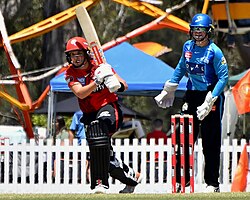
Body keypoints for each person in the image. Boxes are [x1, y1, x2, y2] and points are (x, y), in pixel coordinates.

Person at [154, 14, 228, 192]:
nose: (197, 33)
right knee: (184, 139)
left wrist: (210, 100)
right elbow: (181, 68)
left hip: (211, 95)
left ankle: (212, 183)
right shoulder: (187, 47)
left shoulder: (215, 51)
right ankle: (183, 181)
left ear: (208, 31)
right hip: (192, 95)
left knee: (210, 142)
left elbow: (223, 77)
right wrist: (169, 88)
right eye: (195, 29)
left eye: (201, 30)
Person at [64, 36, 139, 193]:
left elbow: (123, 85)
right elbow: (80, 93)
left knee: (99, 132)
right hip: (89, 113)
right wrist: (96, 82)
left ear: (86, 53)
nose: (75, 58)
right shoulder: (70, 73)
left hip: (108, 107)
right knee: (102, 155)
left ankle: (100, 184)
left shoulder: (100, 66)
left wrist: (110, 78)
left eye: (78, 54)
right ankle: (130, 177)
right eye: (72, 55)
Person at [146, 119, 167, 183]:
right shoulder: (164, 135)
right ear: (162, 126)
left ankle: (151, 178)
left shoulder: (149, 135)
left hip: (152, 156)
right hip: (162, 157)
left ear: (153, 126)